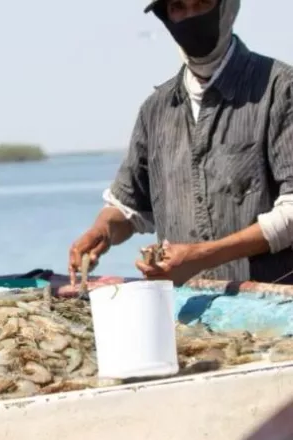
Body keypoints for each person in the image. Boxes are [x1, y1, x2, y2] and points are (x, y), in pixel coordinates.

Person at [68, 0, 293, 287]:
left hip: (273, 314)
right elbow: (129, 207)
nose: (190, 16)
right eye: (178, 7)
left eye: (201, 4)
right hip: (181, 314)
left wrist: (202, 256)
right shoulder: (157, 110)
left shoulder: (281, 90)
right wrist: (103, 230)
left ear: (227, 7)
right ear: (166, 15)